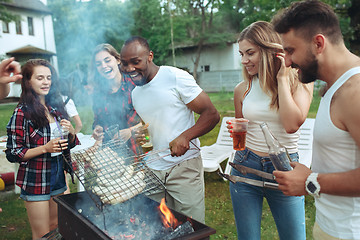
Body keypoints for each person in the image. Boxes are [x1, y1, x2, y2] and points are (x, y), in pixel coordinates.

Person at [271, 1, 360, 239]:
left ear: (318, 43)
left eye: (290, 50)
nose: (287, 62)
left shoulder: (355, 91)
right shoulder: (334, 86)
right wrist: (309, 173)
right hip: (329, 226)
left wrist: (311, 181)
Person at [226, 21, 313, 240]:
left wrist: (282, 78)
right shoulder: (242, 89)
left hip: (285, 167)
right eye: (241, 54)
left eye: (250, 53)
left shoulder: (300, 81)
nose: (244, 60)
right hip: (245, 165)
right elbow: (241, 129)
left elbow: (292, 124)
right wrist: (237, 134)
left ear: (269, 51)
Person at [119, 36, 220, 224]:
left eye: (135, 62)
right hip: (152, 167)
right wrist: (143, 132)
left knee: (192, 227)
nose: (129, 69)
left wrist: (185, 136)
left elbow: (211, 114)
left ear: (150, 56)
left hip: (183, 166)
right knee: (154, 227)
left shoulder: (175, 77)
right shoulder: (135, 92)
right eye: (124, 64)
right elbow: (152, 122)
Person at [5, 59, 79, 239]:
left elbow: (69, 143)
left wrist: (70, 132)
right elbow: (14, 152)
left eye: (48, 77)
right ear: (28, 81)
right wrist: (45, 148)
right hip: (35, 178)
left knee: (56, 227)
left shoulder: (55, 108)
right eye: (40, 78)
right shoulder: (22, 112)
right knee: (42, 234)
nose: (46, 82)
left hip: (57, 175)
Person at [89, 43, 141, 150]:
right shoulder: (97, 92)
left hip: (138, 147)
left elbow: (152, 118)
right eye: (98, 64)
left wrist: (130, 131)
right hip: (112, 151)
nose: (104, 66)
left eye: (107, 60)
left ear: (118, 60)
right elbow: (98, 120)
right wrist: (98, 128)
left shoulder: (135, 84)